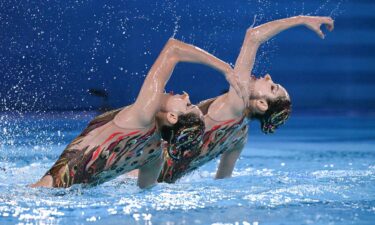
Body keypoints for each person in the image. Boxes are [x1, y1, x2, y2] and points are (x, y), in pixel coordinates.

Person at [31, 38, 242, 188]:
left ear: (172, 117)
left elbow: (173, 48)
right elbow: (146, 193)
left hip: (43, 191)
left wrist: (226, 69)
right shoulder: (154, 156)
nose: (186, 95)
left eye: (188, 105)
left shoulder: (143, 116)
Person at [158, 15, 334, 183]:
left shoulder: (235, 105)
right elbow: (222, 181)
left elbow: (253, 37)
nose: (267, 76)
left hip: (137, 173)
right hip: (159, 180)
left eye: (272, 87)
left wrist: (302, 20)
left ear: (262, 104)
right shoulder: (240, 137)